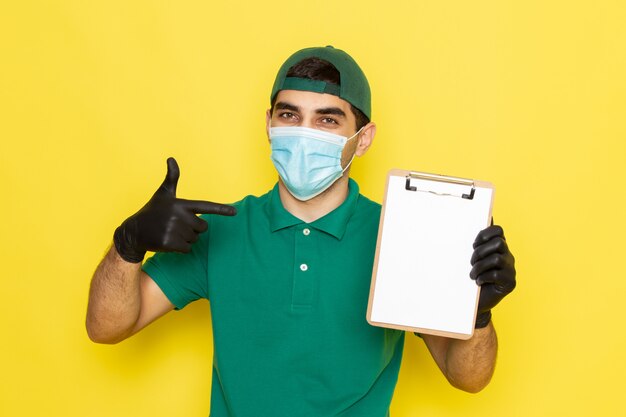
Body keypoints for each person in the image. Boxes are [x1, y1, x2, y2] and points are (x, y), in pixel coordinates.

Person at [86, 46, 516, 417]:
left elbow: (468, 379)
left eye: (327, 121)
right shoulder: (218, 230)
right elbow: (106, 327)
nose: (303, 134)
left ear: (363, 139)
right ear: (269, 123)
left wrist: (477, 313)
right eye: (289, 115)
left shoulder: (402, 234)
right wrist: (128, 245)